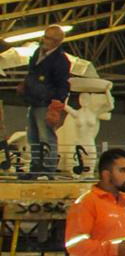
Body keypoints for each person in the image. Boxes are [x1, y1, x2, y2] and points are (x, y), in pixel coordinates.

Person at [21, 25, 70, 175]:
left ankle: (47, 168)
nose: (44, 40)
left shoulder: (61, 61)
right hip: (34, 101)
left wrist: (55, 105)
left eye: (48, 38)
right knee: (33, 136)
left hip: (46, 104)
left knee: (46, 136)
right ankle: (36, 165)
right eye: (45, 36)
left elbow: (63, 85)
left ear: (57, 41)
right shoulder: (38, 53)